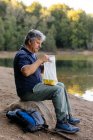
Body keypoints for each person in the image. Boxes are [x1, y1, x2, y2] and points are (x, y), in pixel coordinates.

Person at [13, 29, 80, 134]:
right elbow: (26, 71)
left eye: (41, 43)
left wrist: (47, 64)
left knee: (61, 85)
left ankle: (67, 117)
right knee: (57, 90)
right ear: (29, 41)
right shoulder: (22, 55)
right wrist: (40, 60)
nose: (39, 46)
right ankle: (61, 123)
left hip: (36, 87)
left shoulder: (32, 54)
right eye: (37, 43)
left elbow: (37, 69)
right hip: (28, 91)